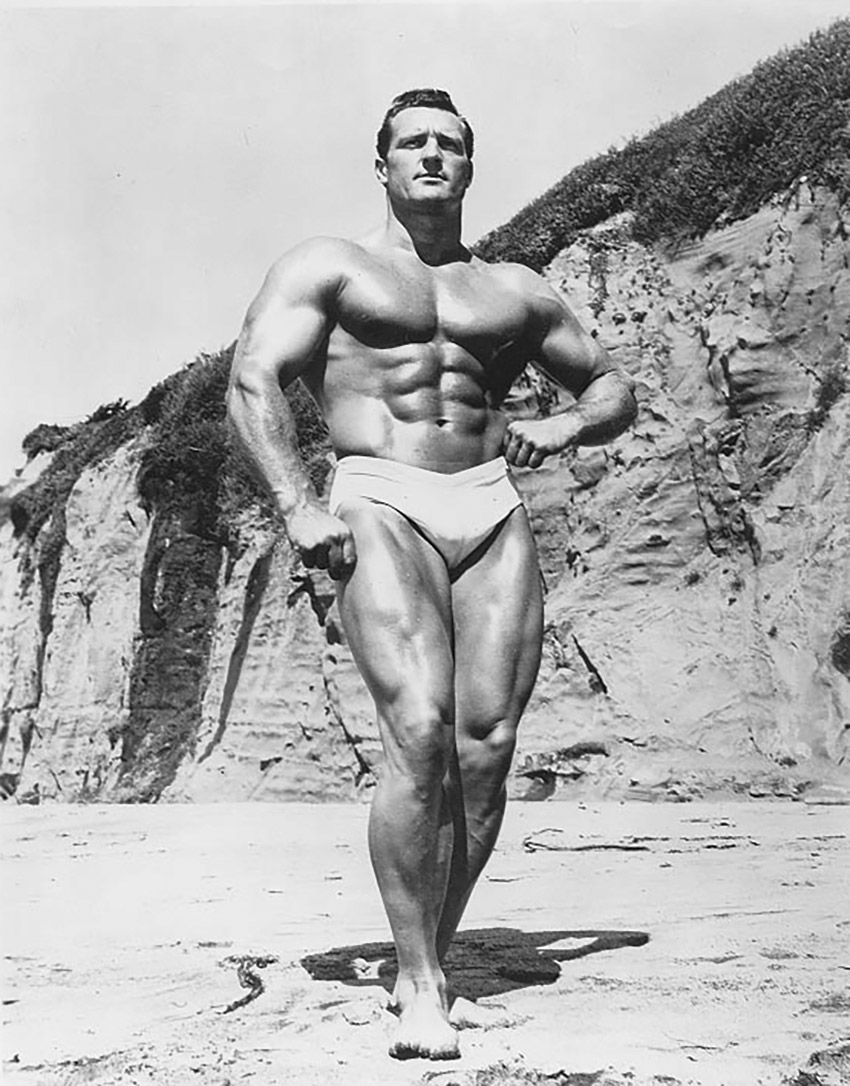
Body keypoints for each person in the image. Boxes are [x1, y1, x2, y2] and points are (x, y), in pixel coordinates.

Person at [227, 88, 637, 1060]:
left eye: (448, 144)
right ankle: (416, 988)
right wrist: (298, 502)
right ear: (381, 165)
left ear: (467, 166)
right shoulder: (329, 266)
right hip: (379, 496)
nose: (430, 155)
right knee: (417, 728)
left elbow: (611, 385)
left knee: (485, 748)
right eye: (411, 142)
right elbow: (251, 378)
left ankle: (435, 963)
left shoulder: (517, 290)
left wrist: (568, 423)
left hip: (491, 504)